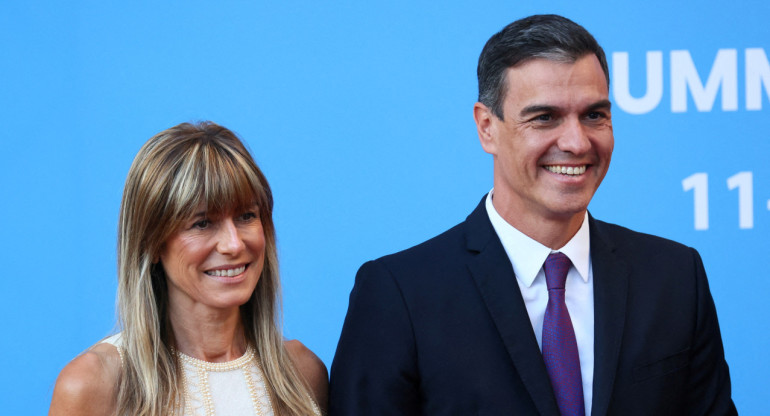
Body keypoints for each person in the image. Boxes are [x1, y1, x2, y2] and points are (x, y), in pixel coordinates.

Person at [329, 14, 736, 416]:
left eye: (594, 115)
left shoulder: (675, 277)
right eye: (545, 118)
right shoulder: (399, 295)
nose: (577, 142)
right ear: (487, 127)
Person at [50, 122, 327, 415]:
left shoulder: (303, 372)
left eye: (246, 216)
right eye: (202, 223)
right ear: (152, 242)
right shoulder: (93, 383)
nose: (233, 245)